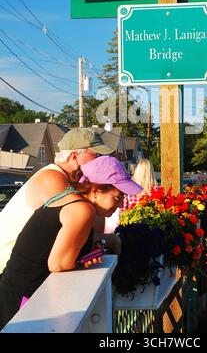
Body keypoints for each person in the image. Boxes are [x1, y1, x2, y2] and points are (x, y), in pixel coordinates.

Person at [0, 156, 143, 330]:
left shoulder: (71, 200)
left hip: (14, 291)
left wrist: (93, 250)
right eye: (118, 197)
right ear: (96, 190)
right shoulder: (82, 210)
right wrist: (84, 259)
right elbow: (58, 264)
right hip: (22, 299)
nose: (121, 204)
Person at [0, 127, 115, 274]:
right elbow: (82, 221)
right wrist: (109, 240)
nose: (100, 160)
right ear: (74, 156)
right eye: (96, 154)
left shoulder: (62, 178)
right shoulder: (52, 177)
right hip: (7, 268)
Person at [104, 158, 157, 233]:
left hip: (131, 231)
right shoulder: (156, 192)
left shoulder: (130, 191)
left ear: (137, 172)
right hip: (150, 231)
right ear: (151, 173)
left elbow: (122, 214)